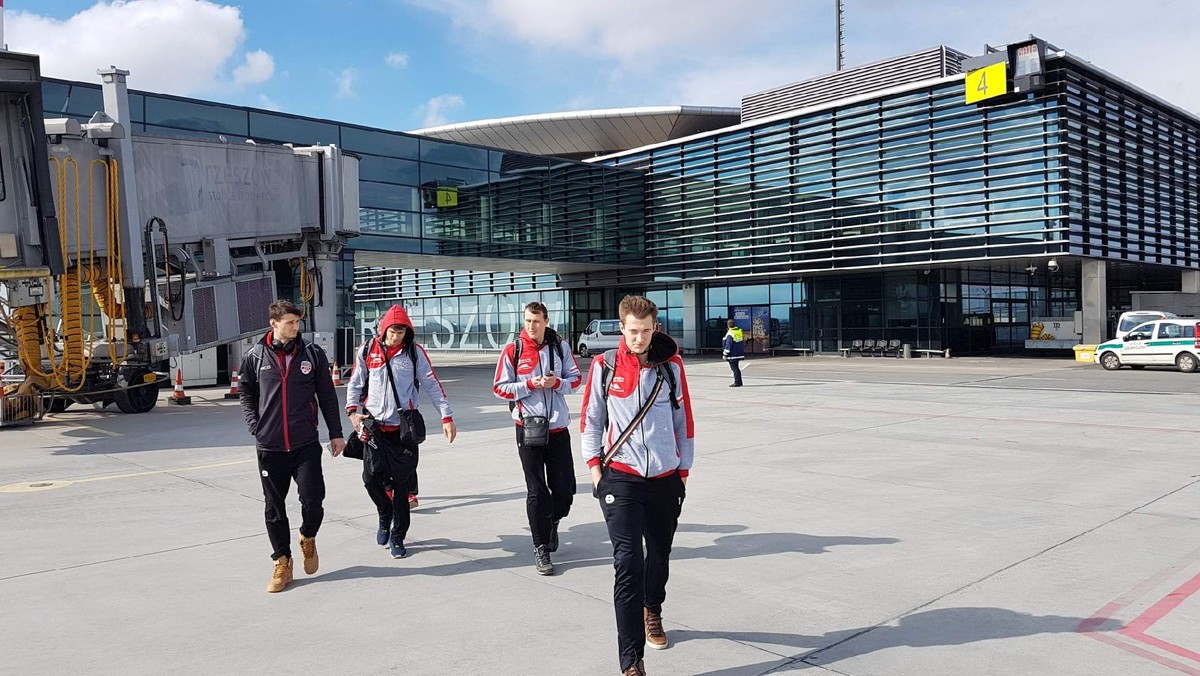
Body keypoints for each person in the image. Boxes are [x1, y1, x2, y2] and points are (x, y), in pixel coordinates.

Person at [581, 295, 694, 676]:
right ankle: (631, 662)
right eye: (633, 331)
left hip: (665, 478)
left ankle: (653, 610)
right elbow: (591, 421)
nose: (639, 338)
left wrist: (682, 472)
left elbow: (685, 423)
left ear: (654, 328)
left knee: (658, 556)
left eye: (646, 331)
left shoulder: (672, 367)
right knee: (628, 562)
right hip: (621, 477)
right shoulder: (604, 367)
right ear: (622, 328)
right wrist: (596, 472)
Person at [238, 299, 346, 593]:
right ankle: (282, 562)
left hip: (305, 443)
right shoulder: (255, 356)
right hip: (270, 447)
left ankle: (307, 537)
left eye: (298, 322)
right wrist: (254, 425)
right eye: (290, 322)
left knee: (313, 500)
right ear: (273, 323)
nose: (296, 327)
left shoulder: (312, 353)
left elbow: (326, 395)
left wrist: (336, 433)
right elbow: (245, 391)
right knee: (274, 508)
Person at [346, 305, 456, 559]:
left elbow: (431, 383)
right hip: (374, 429)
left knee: (401, 487)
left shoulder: (414, 353)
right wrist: (353, 412)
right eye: (394, 332)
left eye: (402, 333)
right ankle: (384, 515)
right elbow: (355, 382)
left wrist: (446, 416)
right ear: (384, 330)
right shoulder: (367, 350)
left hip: (403, 432)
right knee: (370, 479)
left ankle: (398, 536)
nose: (397, 337)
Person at [492, 301, 582, 575]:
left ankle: (551, 521)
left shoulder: (560, 347)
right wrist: (529, 385)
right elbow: (499, 389)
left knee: (565, 491)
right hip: (528, 429)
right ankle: (541, 547)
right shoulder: (513, 350)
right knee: (537, 491)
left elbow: (576, 379)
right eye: (527, 321)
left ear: (546, 321)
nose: (531, 326)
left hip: (557, 429)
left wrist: (559, 383)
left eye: (536, 321)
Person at [722, 319, 745, 387]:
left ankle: (737, 382)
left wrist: (725, 354)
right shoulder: (738, 331)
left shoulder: (730, 333)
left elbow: (728, 345)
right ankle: (739, 382)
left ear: (728, 325)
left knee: (734, 369)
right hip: (738, 353)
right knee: (736, 368)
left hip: (732, 355)